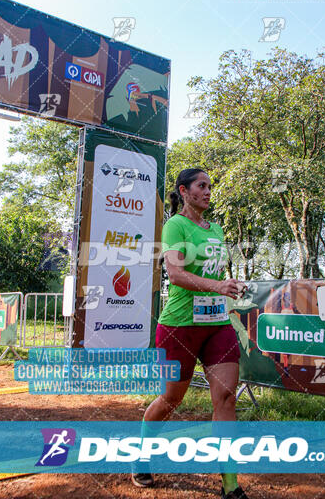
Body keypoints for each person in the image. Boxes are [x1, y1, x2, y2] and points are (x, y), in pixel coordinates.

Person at [131, 168, 249, 499]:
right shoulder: (175, 226)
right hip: (179, 326)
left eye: (211, 186)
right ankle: (142, 453)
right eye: (202, 186)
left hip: (216, 327)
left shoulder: (217, 230)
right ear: (185, 191)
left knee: (225, 398)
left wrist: (229, 287)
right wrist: (218, 285)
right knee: (172, 399)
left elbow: (213, 274)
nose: (209, 191)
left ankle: (230, 484)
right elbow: (177, 274)